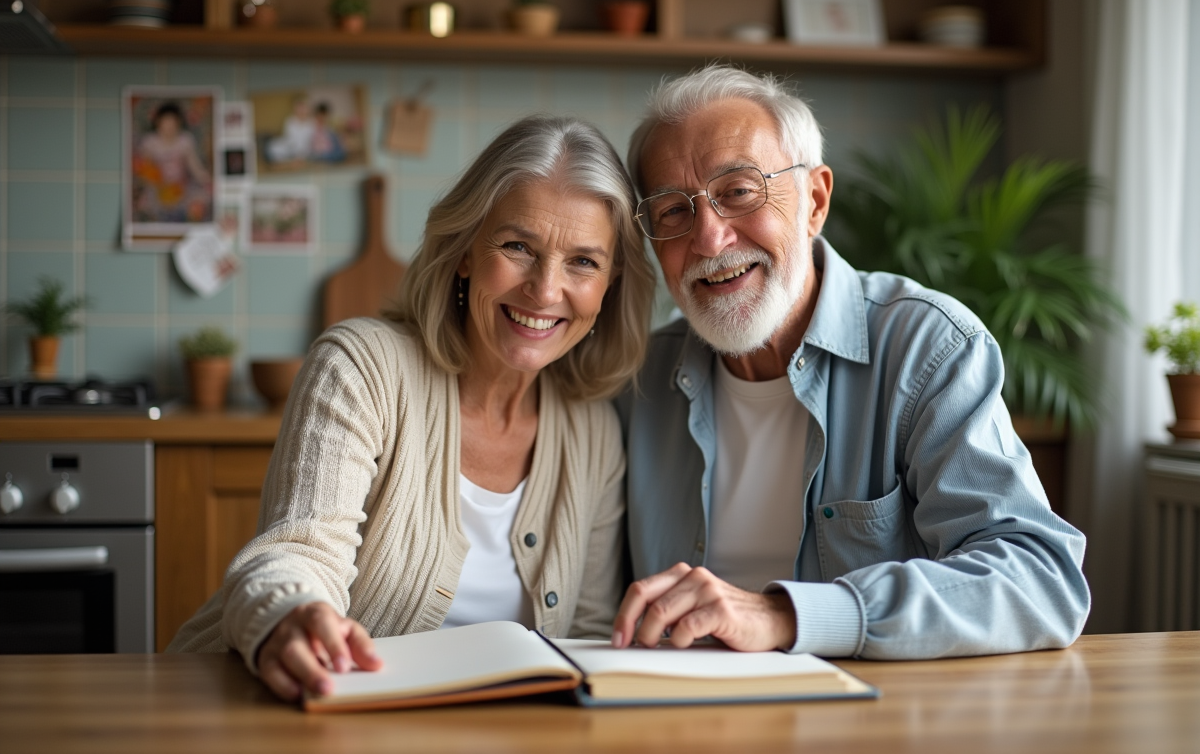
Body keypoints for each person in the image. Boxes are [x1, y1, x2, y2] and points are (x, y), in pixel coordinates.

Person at [168, 115, 657, 701]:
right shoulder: (361, 368)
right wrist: (290, 615)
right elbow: (298, 551)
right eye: (518, 247)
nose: (546, 290)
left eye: (583, 261)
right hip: (271, 711)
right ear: (465, 252)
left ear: (611, 283)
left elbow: (587, 638)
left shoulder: (593, 431)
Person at [611, 65, 1090, 660]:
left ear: (814, 200)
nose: (709, 238)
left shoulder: (926, 347)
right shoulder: (636, 380)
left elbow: (1039, 579)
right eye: (673, 212)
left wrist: (786, 615)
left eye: (739, 191)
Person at [133, 102, 211, 224]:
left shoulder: (185, 141)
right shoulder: (149, 142)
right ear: (158, 122)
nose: (169, 126)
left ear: (178, 123)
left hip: (181, 188)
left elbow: (195, 167)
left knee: (202, 198)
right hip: (157, 189)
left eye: (173, 122)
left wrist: (207, 180)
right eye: (166, 122)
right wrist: (157, 182)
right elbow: (144, 169)